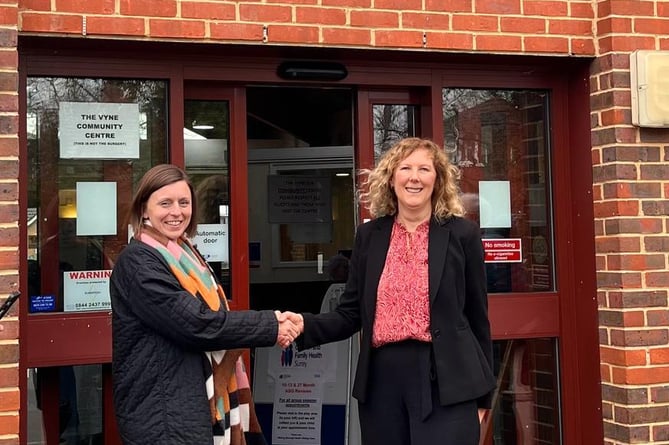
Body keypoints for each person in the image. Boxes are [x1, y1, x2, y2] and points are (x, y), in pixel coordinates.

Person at [286, 137, 496, 445]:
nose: (414, 177)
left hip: (449, 382)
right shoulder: (370, 235)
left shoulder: (462, 234)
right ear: (391, 177)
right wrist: (306, 324)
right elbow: (350, 312)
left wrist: (483, 397)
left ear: (436, 179)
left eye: (424, 169)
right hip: (382, 383)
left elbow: (478, 319)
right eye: (406, 167)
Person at [110, 164, 298, 445]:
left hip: (187, 408)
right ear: (144, 210)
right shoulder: (139, 262)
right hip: (163, 415)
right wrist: (271, 324)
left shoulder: (186, 254)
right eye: (165, 203)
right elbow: (196, 324)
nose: (177, 212)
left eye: (184, 203)